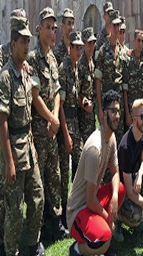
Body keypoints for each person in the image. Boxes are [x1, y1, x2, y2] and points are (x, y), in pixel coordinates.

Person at [0, 15, 46, 256]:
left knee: (37, 198)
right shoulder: (5, 78)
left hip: (29, 146)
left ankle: (33, 244)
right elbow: (2, 123)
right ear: (13, 44)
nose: (28, 46)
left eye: (29, 41)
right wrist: (8, 163)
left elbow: (27, 118)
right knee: (14, 210)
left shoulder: (26, 74)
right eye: (23, 42)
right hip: (13, 152)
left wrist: (33, 144)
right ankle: (10, 250)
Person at [67, 90, 125, 256]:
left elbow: (115, 172)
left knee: (120, 189)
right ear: (104, 113)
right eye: (113, 111)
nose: (117, 116)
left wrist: (114, 197)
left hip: (91, 201)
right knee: (106, 236)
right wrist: (107, 218)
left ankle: (99, 237)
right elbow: (90, 200)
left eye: (119, 111)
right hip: (78, 209)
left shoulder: (111, 137)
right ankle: (76, 249)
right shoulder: (95, 148)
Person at [29, 7, 69, 240]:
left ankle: (56, 221)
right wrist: (51, 118)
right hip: (40, 130)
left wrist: (55, 115)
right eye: (48, 28)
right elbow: (34, 97)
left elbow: (55, 90)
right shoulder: (34, 59)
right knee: (39, 180)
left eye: (54, 28)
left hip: (51, 131)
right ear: (39, 30)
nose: (52, 32)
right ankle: (40, 225)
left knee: (54, 176)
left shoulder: (53, 58)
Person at [0, 8, 27, 254]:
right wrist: (9, 69)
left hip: (18, 129)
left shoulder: (21, 52)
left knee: (12, 190)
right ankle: (0, 237)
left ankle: (9, 235)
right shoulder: (0, 53)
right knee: (1, 185)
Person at [116, 99, 143, 237]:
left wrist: (139, 176)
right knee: (136, 217)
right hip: (122, 192)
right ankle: (118, 219)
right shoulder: (126, 147)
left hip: (134, 183)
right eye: (142, 116)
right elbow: (128, 190)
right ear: (134, 119)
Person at [58, 31, 84, 219]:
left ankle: (75, 204)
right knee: (63, 172)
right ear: (70, 48)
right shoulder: (65, 68)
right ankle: (63, 211)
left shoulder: (76, 68)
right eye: (76, 47)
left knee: (78, 165)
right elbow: (60, 105)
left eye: (80, 47)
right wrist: (66, 135)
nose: (79, 51)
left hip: (75, 122)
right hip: (66, 125)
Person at [95, 10, 126, 144]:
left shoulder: (122, 51)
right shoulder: (103, 50)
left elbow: (124, 81)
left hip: (119, 103)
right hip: (107, 103)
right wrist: (100, 109)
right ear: (110, 26)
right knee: (106, 141)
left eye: (118, 26)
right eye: (114, 26)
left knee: (119, 139)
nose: (117, 29)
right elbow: (98, 80)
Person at [123, 30, 143, 140]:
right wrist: (127, 112)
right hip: (132, 109)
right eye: (138, 40)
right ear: (134, 41)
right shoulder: (128, 61)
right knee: (131, 139)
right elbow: (125, 89)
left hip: (142, 109)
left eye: (142, 41)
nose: (140, 44)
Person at [78, 28, 98, 161]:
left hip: (91, 116)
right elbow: (76, 91)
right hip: (82, 115)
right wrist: (84, 102)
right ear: (84, 44)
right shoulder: (81, 65)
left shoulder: (92, 63)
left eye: (93, 43)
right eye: (89, 43)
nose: (92, 46)